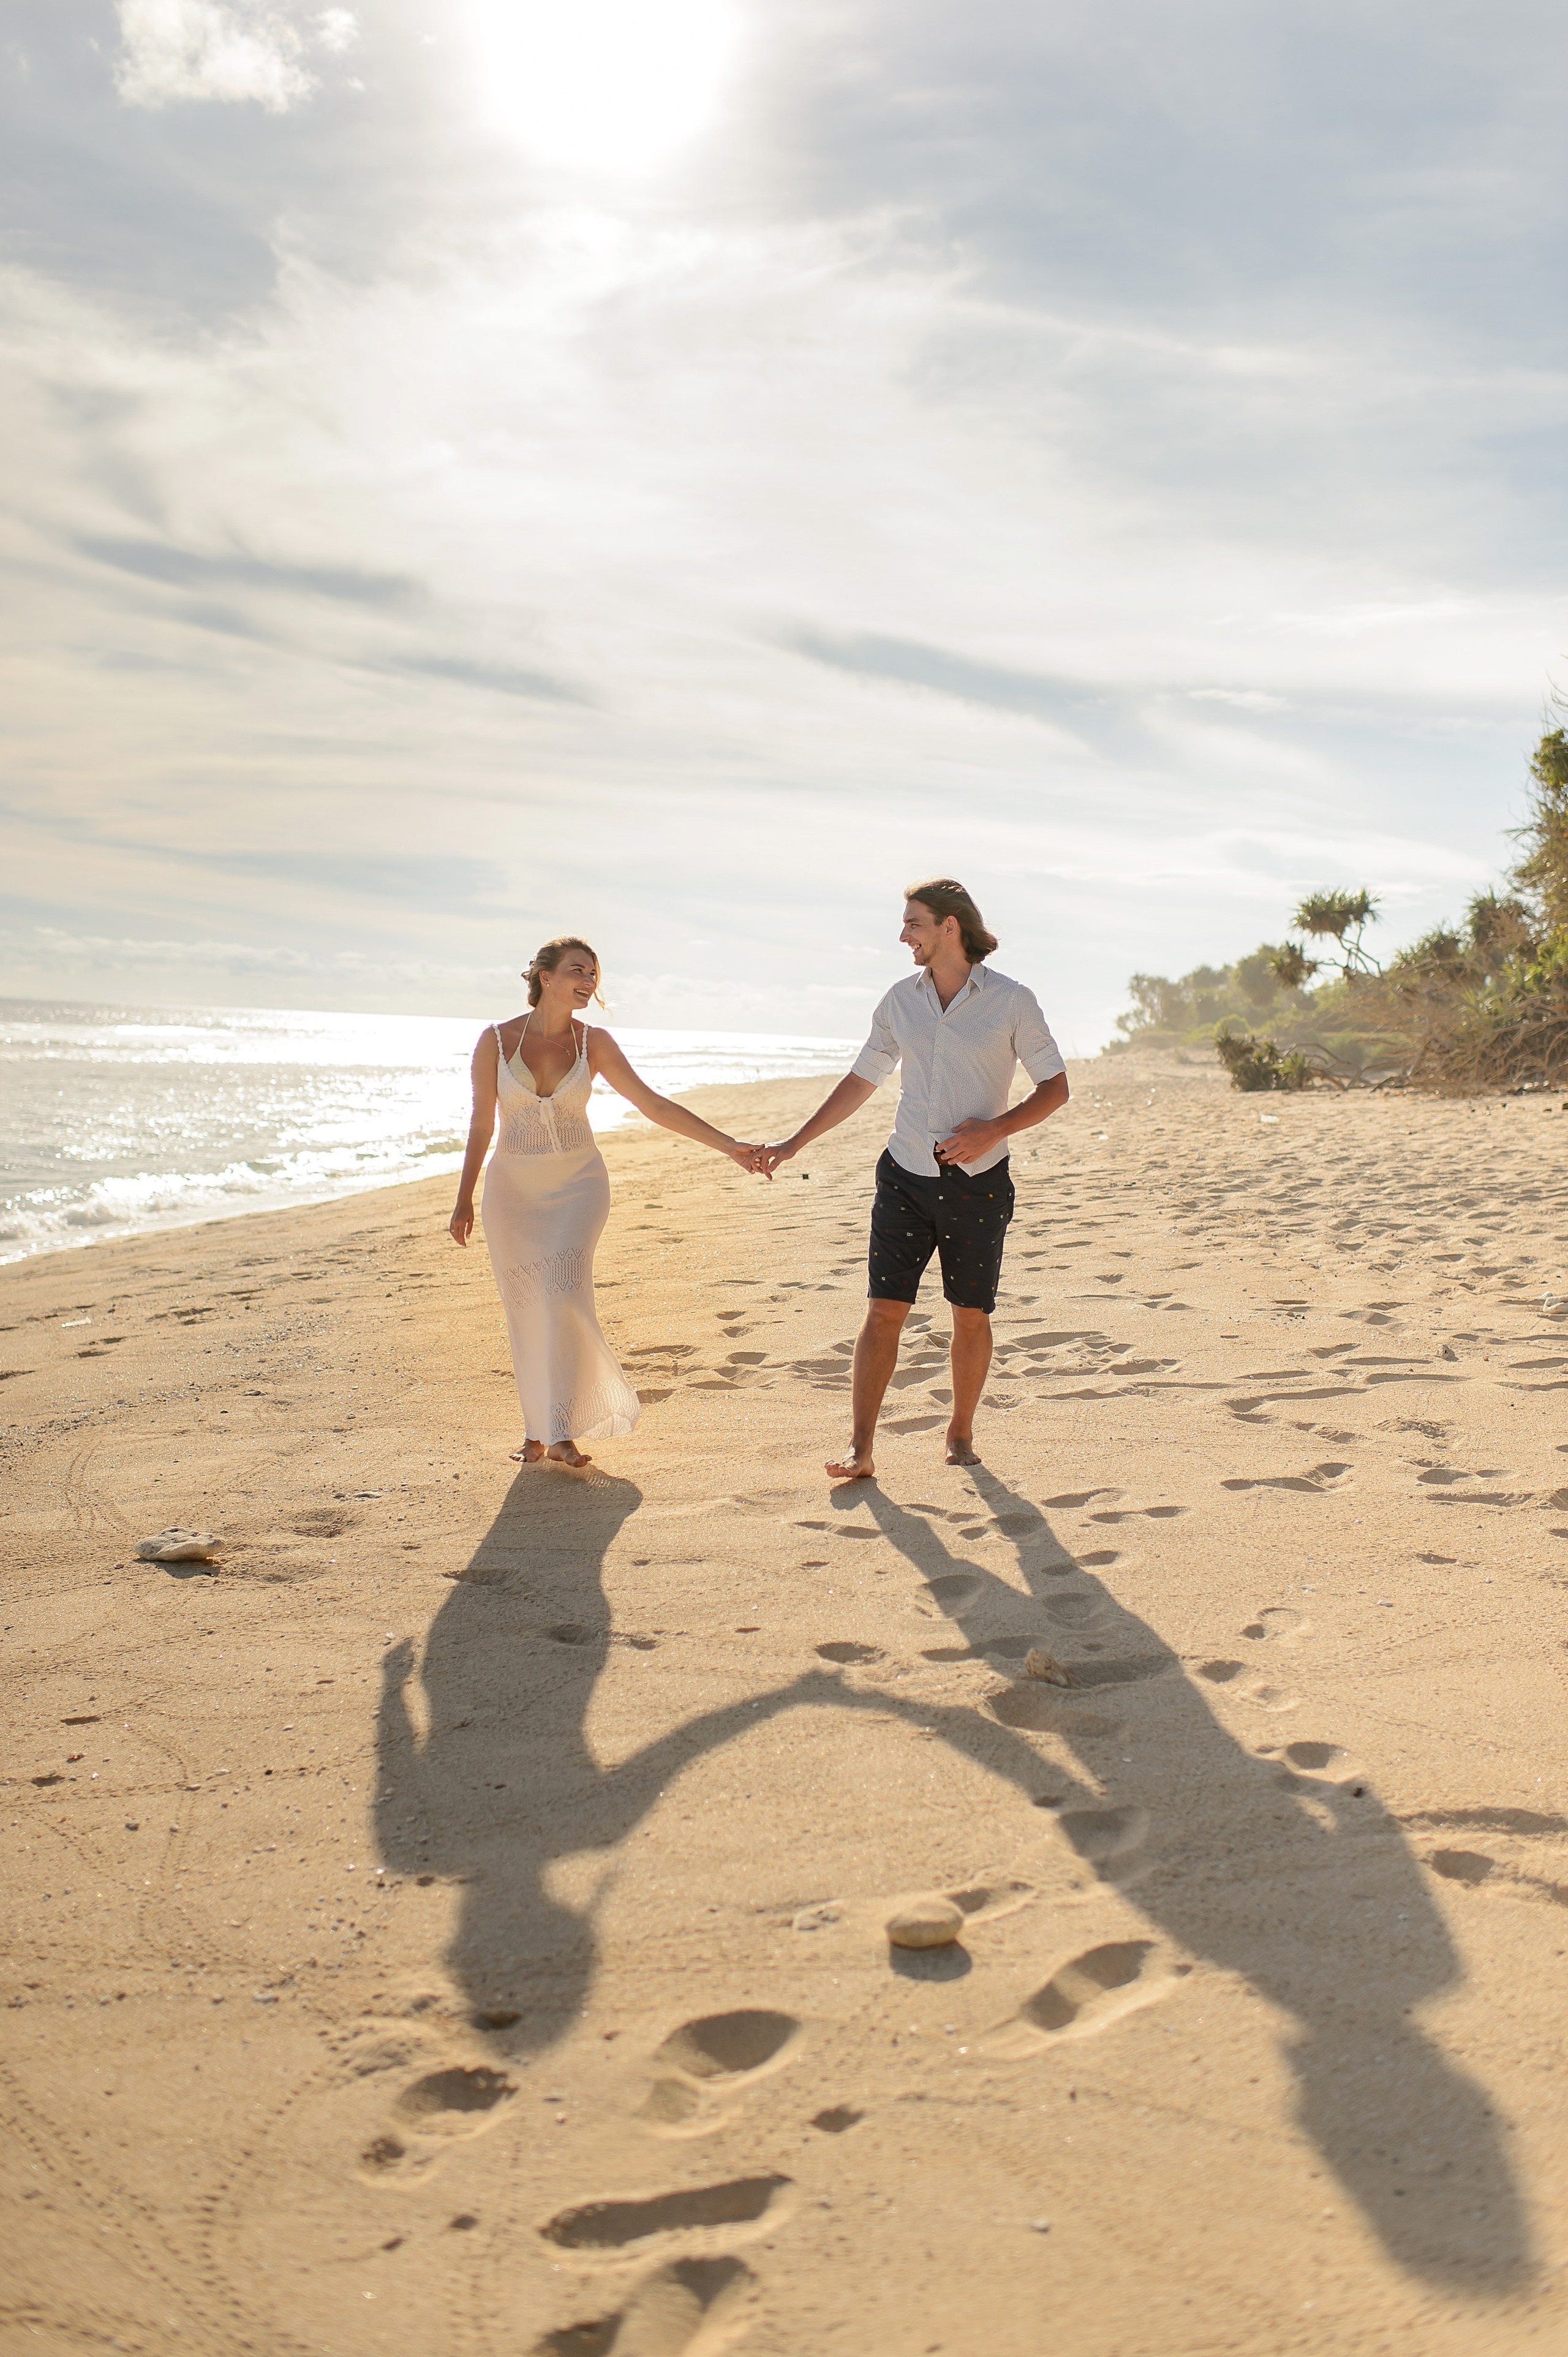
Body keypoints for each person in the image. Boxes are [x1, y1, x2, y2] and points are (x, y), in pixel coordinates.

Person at [759, 880, 1069, 1480]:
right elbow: (860, 1080)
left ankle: (959, 1430)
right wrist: (794, 1142)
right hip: (903, 1176)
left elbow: (1055, 1087)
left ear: (949, 926)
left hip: (977, 1181)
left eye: (914, 923)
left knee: (969, 1314)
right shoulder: (900, 1001)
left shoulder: (1011, 1000)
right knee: (883, 1311)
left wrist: (991, 1130)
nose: (904, 935)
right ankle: (860, 1447)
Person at [450, 937, 762, 1467]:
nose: (589, 982)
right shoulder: (495, 1041)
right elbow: (482, 1122)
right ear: (545, 977)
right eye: (578, 971)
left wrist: (729, 1145)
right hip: (513, 1192)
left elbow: (653, 1104)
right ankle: (537, 1430)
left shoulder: (594, 1043)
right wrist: (463, 1200)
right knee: (526, 1306)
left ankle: (563, 1429)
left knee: (563, 1296)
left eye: (593, 974)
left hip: (578, 1185)